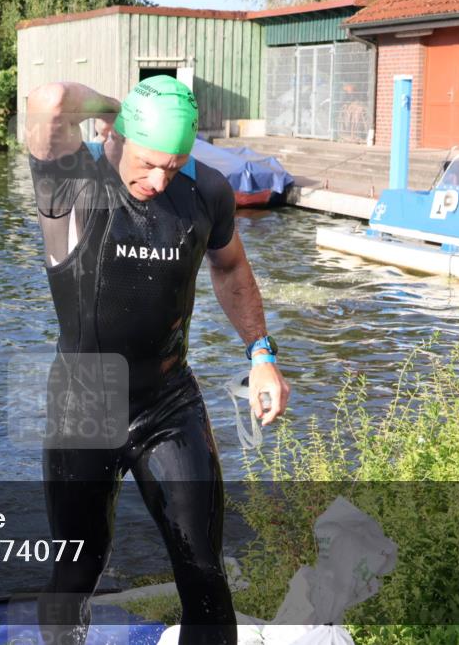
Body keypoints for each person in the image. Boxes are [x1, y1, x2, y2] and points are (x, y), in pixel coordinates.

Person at [25, 76, 291, 645]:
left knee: (203, 569)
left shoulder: (207, 192)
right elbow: (49, 101)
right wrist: (116, 110)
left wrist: (261, 352)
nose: (157, 180)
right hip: (84, 403)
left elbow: (231, 267)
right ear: (118, 138)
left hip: (169, 401)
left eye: (172, 166)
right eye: (148, 163)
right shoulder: (73, 184)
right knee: (79, 568)